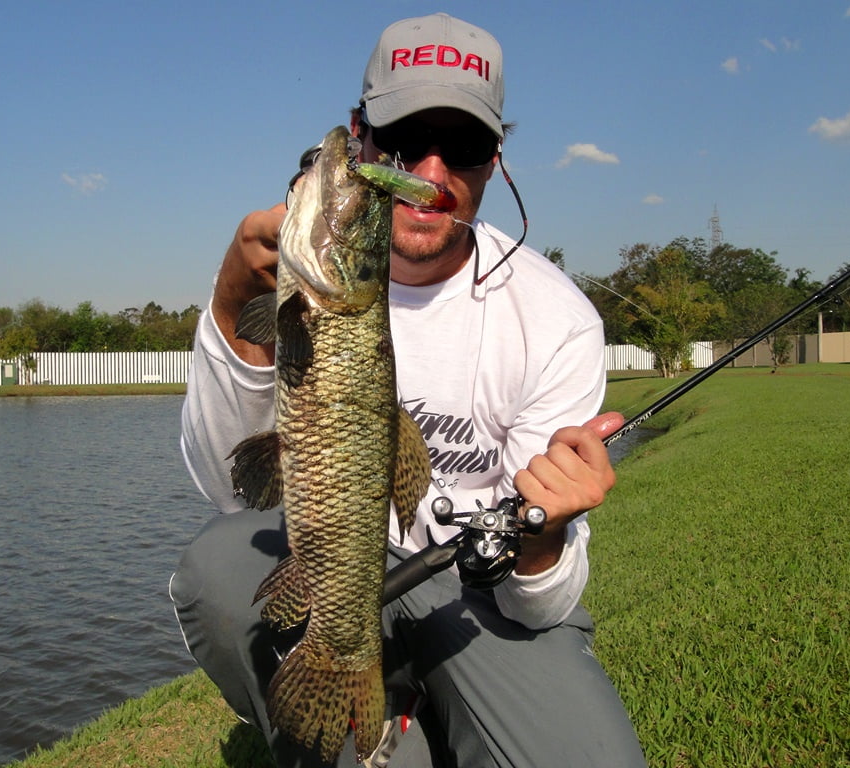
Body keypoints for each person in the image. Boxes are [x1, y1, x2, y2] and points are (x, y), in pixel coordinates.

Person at [170, 12, 647, 768]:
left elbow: (542, 606)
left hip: (477, 599)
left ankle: (426, 702)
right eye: (404, 139)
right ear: (362, 141)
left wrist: (546, 539)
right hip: (329, 562)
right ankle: (373, 726)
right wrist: (234, 300)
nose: (429, 172)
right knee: (216, 571)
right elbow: (228, 492)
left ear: (494, 161)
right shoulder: (285, 286)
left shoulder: (558, 322)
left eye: (461, 147)